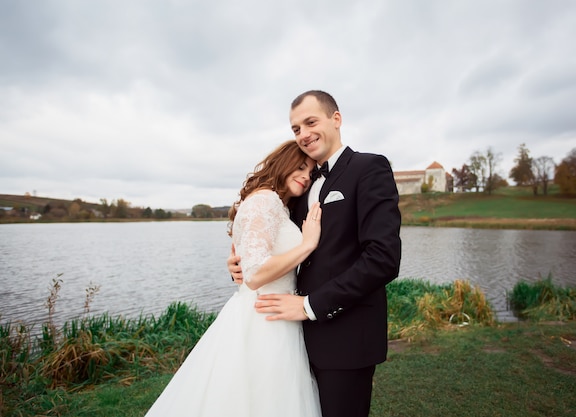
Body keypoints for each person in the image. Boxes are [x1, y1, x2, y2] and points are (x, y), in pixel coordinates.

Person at [229, 90, 402, 417]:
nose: (303, 134)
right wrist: (239, 263)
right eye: (295, 129)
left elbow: (383, 258)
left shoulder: (369, 168)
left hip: (346, 339)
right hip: (290, 340)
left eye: (310, 122)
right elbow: (270, 237)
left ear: (336, 119)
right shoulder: (301, 183)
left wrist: (310, 305)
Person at [145, 140, 323, 417]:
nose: (305, 175)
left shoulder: (278, 205)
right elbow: (253, 274)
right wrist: (307, 245)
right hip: (262, 321)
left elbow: (250, 261)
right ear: (282, 165)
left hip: (276, 314)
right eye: (300, 167)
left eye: (311, 172)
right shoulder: (265, 201)